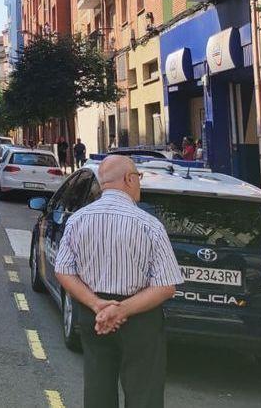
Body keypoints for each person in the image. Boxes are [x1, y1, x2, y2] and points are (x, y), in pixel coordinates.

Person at [54, 155, 184, 408]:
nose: (139, 183)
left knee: (98, 386)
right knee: (144, 392)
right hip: (140, 317)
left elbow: (63, 270)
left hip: (94, 314)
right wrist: (121, 310)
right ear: (129, 179)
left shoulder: (78, 219)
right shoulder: (150, 226)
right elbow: (166, 286)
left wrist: (97, 305)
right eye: (139, 177)